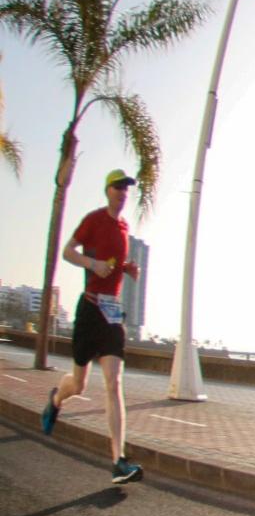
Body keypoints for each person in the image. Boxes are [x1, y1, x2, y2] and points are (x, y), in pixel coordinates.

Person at [41, 168, 145, 484]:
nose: (122, 194)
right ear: (107, 191)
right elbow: (68, 251)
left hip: (112, 315)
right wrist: (92, 264)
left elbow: (113, 262)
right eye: (117, 188)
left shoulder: (125, 227)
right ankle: (57, 398)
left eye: (126, 189)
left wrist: (126, 268)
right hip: (89, 309)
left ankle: (118, 462)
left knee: (114, 382)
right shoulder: (93, 219)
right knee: (79, 383)